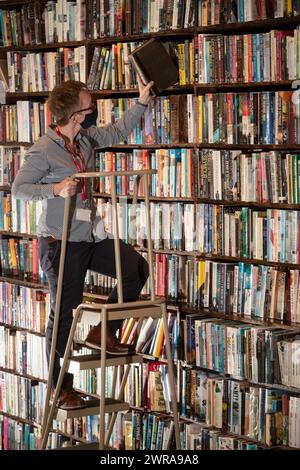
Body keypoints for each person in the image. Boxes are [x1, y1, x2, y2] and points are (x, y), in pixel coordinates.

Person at [12, 77, 154, 409]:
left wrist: (142, 101)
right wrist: (56, 189)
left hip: (88, 236)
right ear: (76, 115)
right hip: (60, 242)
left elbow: (118, 131)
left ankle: (103, 331)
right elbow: (19, 189)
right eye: (90, 107)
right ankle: (61, 388)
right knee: (64, 314)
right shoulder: (43, 149)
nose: (93, 113)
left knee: (135, 268)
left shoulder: (86, 140)